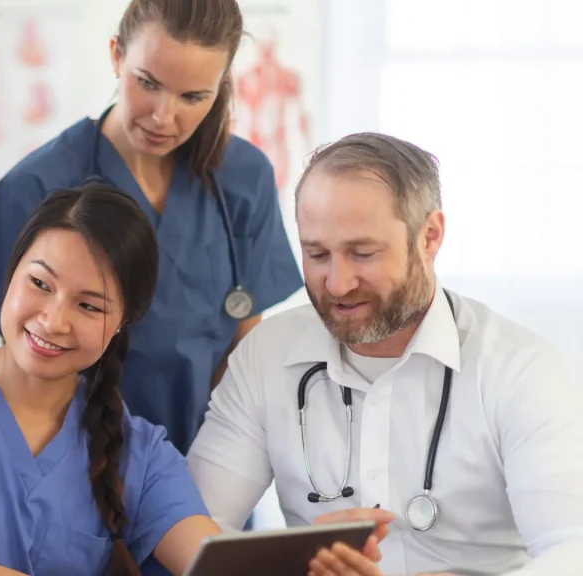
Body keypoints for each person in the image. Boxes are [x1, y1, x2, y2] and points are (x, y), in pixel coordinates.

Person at [0, 182, 379, 576]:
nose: (54, 319)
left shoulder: (140, 452)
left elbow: (213, 562)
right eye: (39, 283)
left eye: (89, 305)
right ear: (11, 273)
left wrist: (307, 558)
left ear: (121, 322)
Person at [186, 132, 583, 576]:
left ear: (430, 237)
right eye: (317, 254)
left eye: (363, 253)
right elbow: (198, 530)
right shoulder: (265, 357)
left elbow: (572, 549)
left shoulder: (520, 369)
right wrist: (293, 562)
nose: (337, 283)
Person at [0, 0, 302, 457]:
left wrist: (211, 472)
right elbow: (19, 367)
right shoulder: (34, 187)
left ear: (220, 88)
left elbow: (242, 353)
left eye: (193, 97)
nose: (164, 116)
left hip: (204, 460)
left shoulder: (243, 177)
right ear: (116, 55)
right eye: (148, 83)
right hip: (71, 462)